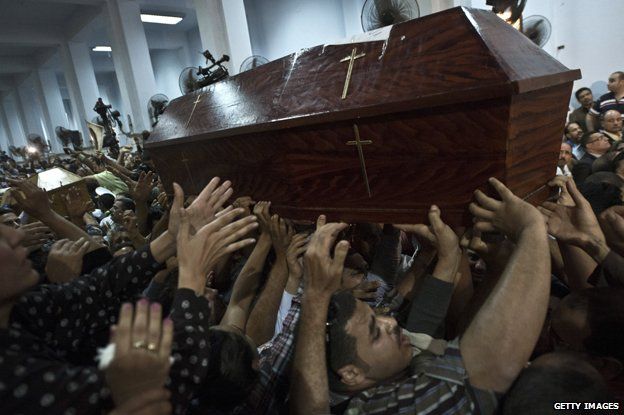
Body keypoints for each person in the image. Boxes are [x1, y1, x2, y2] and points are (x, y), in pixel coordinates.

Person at [289, 178, 551, 414]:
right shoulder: (373, 409)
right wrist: (531, 229)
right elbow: (487, 369)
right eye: (375, 332)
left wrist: (448, 255)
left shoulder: (377, 369)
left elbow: (423, 330)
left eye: (377, 318)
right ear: (351, 374)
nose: (390, 322)